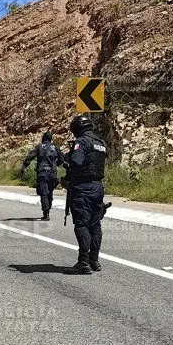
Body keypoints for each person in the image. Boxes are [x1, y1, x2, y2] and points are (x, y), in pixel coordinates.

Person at [63, 114, 109, 275]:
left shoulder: (82, 142)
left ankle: (83, 262)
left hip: (83, 187)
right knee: (95, 225)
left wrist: (67, 160)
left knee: (82, 224)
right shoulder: (100, 143)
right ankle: (93, 260)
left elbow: (76, 162)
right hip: (98, 187)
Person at [20, 131, 65, 221]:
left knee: (44, 193)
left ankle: (46, 213)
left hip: (42, 173)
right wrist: (56, 165)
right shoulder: (55, 147)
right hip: (52, 174)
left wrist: (23, 167)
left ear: (43, 138)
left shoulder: (39, 147)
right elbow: (62, 159)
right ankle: (47, 211)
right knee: (50, 193)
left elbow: (30, 157)